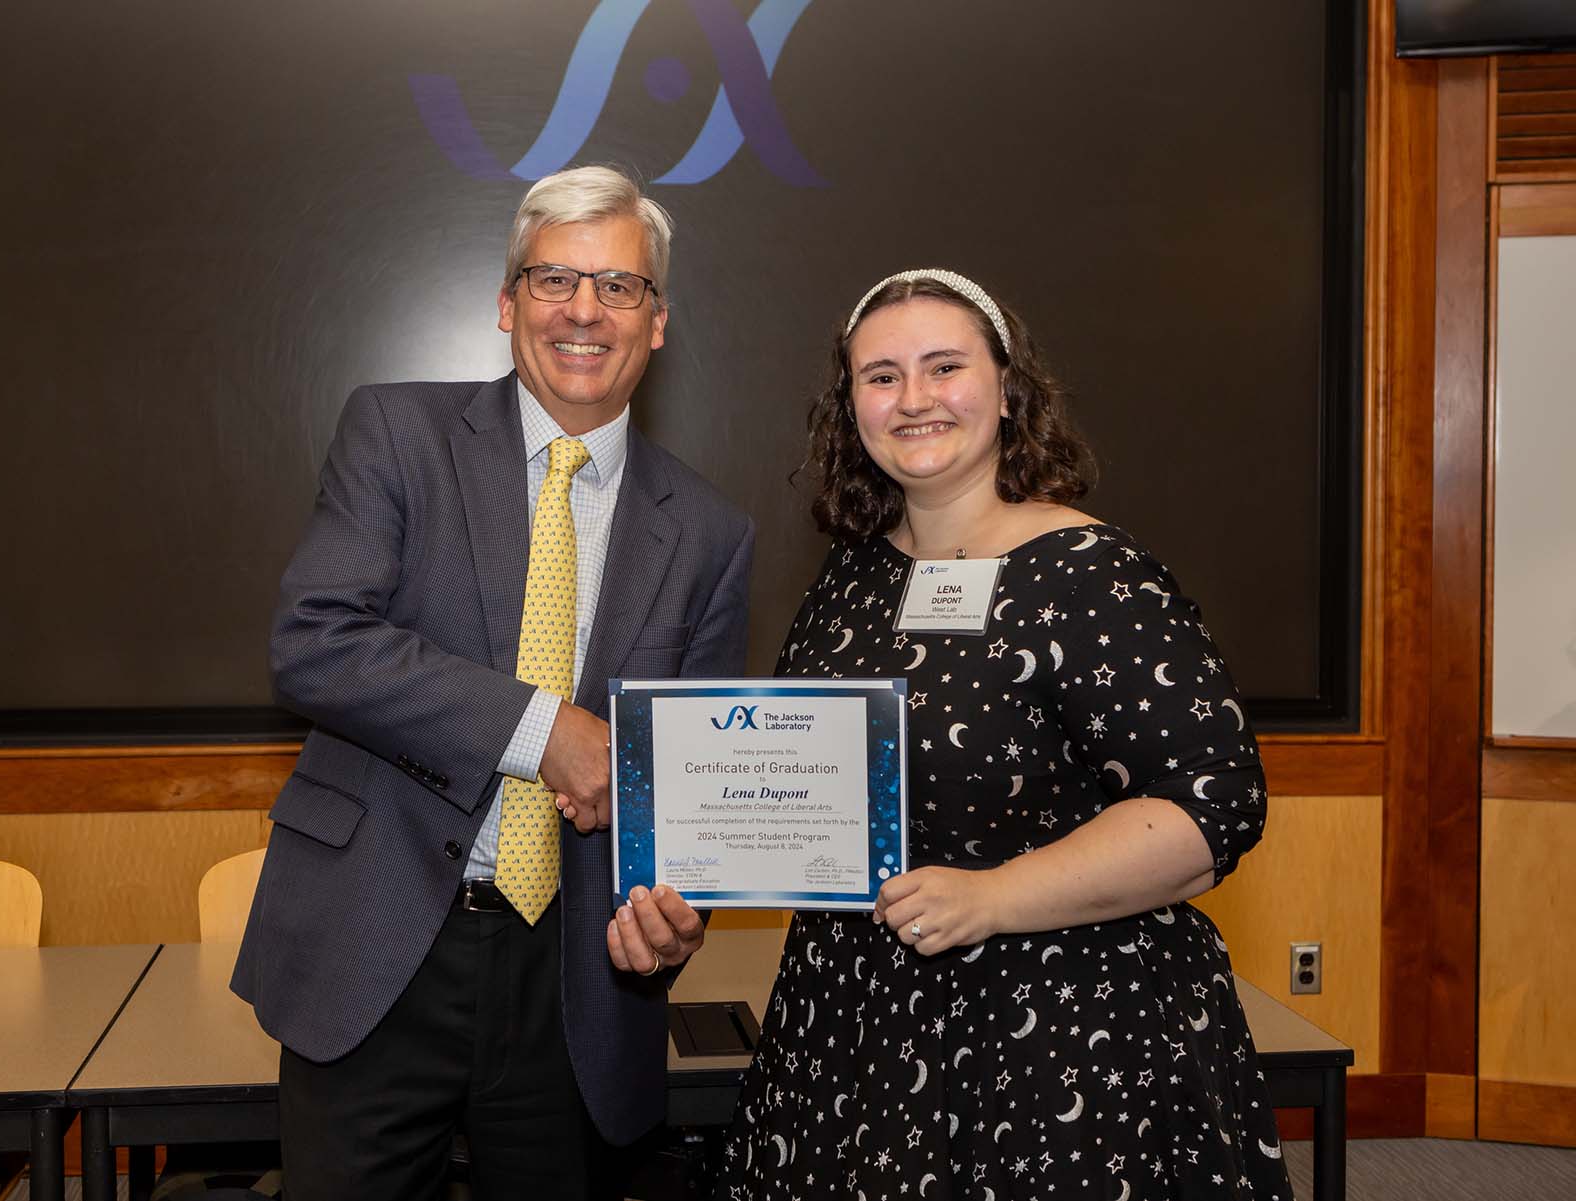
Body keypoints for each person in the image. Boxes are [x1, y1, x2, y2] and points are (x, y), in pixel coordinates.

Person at [231, 164, 755, 1200]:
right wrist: (544, 730)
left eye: (620, 287)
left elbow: (699, 778)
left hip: (579, 986)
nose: (585, 311)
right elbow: (317, 641)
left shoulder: (709, 532)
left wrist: (685, 906)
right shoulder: (395, 432)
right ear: (508, 301)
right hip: (375, 950)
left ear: (657, 323)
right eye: (555, 278)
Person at [715, 269, 1291, 1200]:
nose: (914, 399)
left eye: (945, 366)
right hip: (855, 1025)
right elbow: (799, 780)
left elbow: (1211, 808)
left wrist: (994, 896)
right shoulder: (851, 581)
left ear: (1008, 388)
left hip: (1058, 1040)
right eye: (881, 375)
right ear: (849, 406)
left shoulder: (1089, 572)